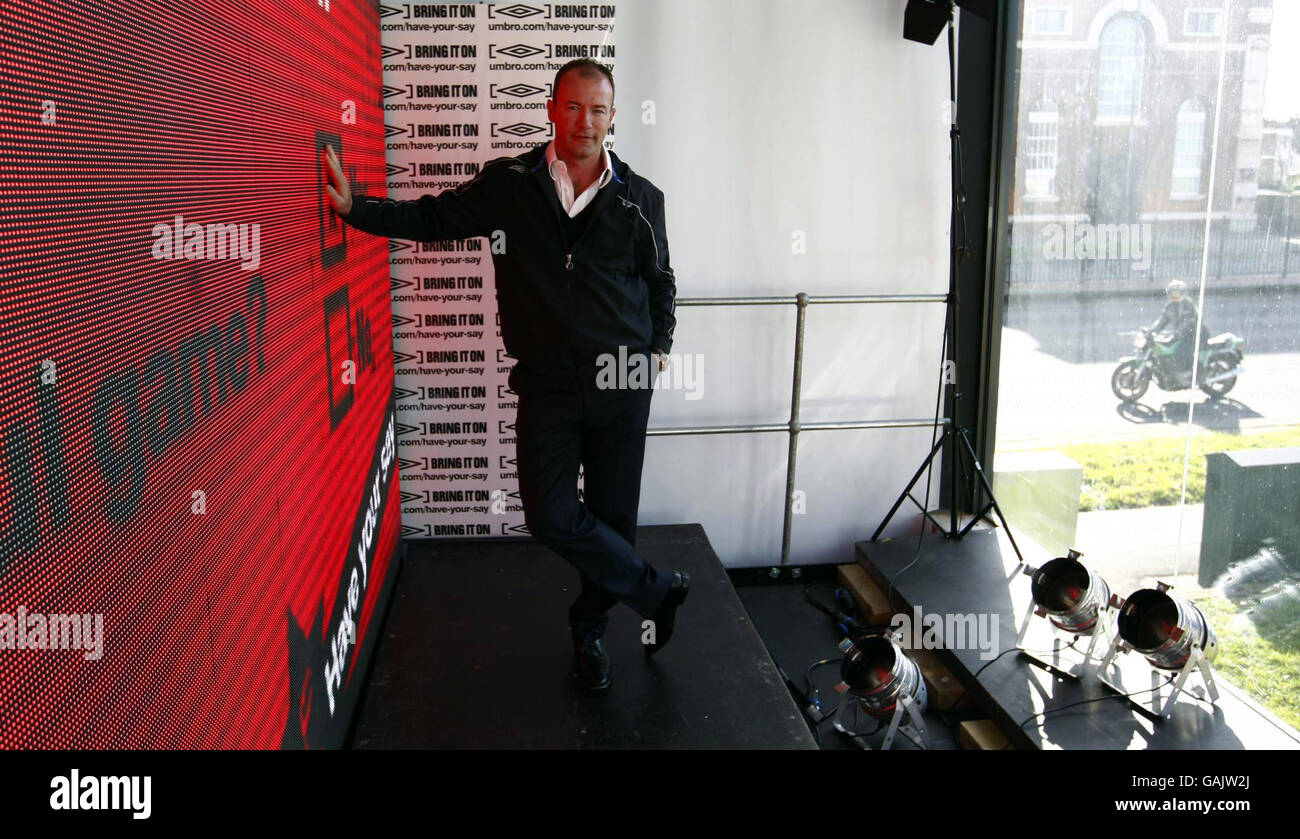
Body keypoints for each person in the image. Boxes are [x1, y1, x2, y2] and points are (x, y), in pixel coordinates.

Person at [323, 59, 689, 692]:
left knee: (613, 517)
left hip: (622, 384)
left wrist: (659, 347)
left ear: (613, 118)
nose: (585, 121)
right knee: (549, 513)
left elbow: (661, 282)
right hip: (546, 382)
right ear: (551, 108)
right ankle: (656, 590)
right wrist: (358, 209)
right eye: (573, 106)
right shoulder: (510, 184)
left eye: (598, 110)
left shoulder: (641, 200)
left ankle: (590, 634)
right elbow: (433, 219)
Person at [1150, 279, 1208, 386]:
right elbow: (1162, 321)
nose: (1174, 295)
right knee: (1168, 349)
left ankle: (1194, 376)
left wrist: (1178, 333)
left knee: (1180, 351)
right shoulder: (1170, 307)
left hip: (1195, 335)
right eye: (1172, 292)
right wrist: (1151, 331)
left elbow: (1188, 322)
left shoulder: (1187, 305)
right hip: (1181, 335)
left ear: (1183, 293)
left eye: (1177, 293)